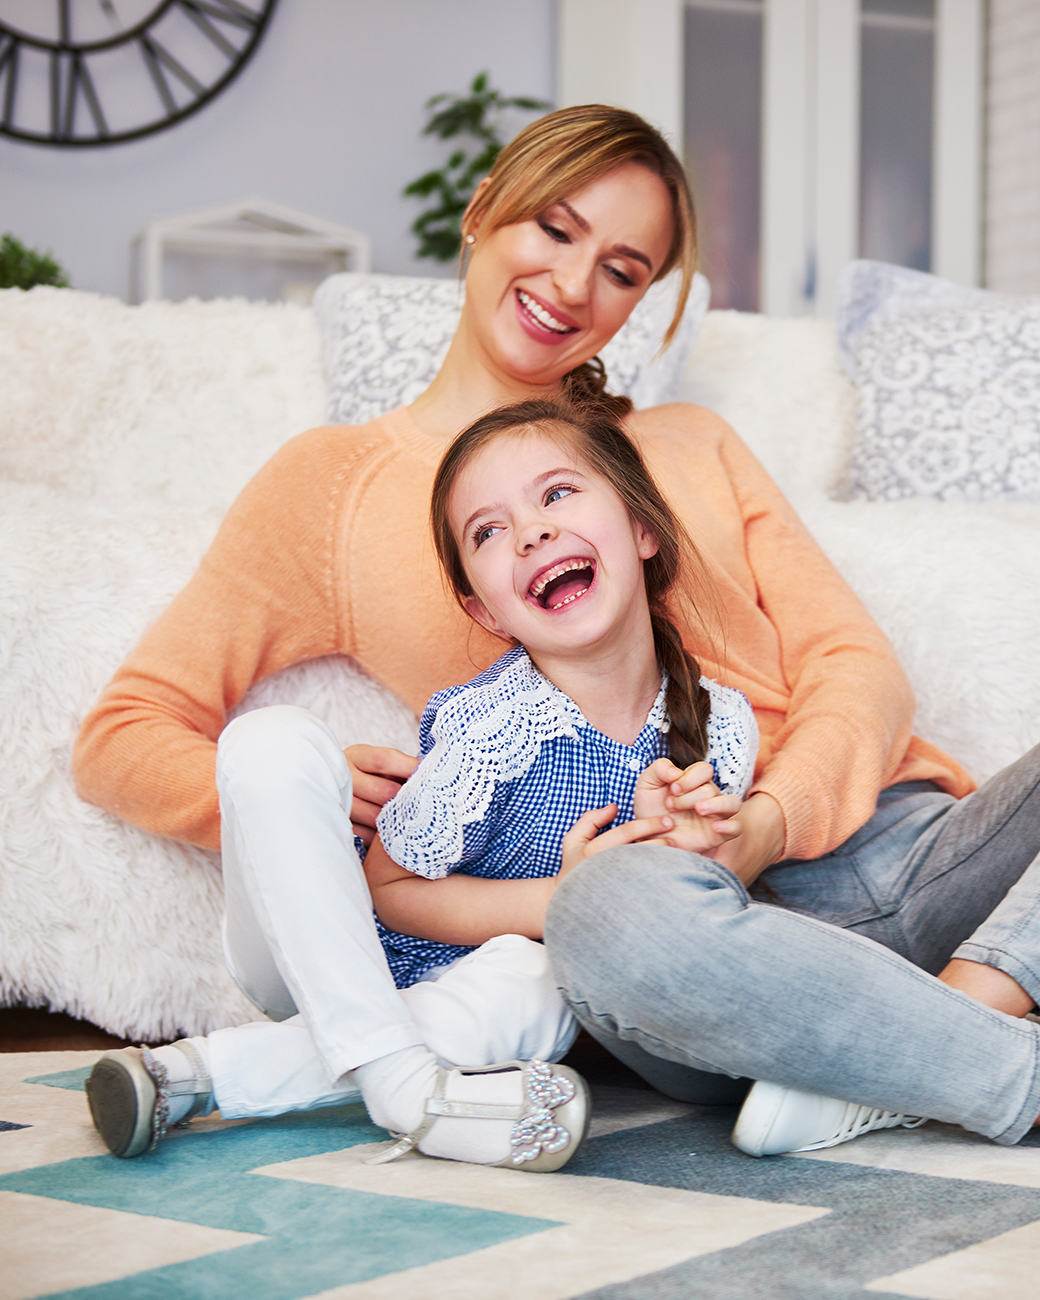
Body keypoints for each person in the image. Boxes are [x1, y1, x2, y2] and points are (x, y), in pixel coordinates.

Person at [73, 103, 1040, 1157]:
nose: (576, 285)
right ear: (482, 211)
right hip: (692, 929)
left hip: (909, 847)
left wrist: (765, 818)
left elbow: (853, 665)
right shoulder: (331, 486)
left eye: (623, 270)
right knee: (605, 918)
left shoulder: (689, 442)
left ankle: (953, 1025)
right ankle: (984, 1061)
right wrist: (304, 806)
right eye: (554, 228)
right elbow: (125, 729)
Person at [85, 397, 760, 1167]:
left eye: (557, 493)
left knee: (545, 982)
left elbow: (684, 925)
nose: (533, 530)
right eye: (489, 530)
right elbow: (386, 886)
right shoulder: (495, 727)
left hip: (468, 996)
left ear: (644, 529)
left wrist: (681, 850)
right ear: (486, 609)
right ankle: (404, 1088)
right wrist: (560, 897)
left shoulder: (721, 724)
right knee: (270, 740)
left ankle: (190, 1075)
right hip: (330, 945)